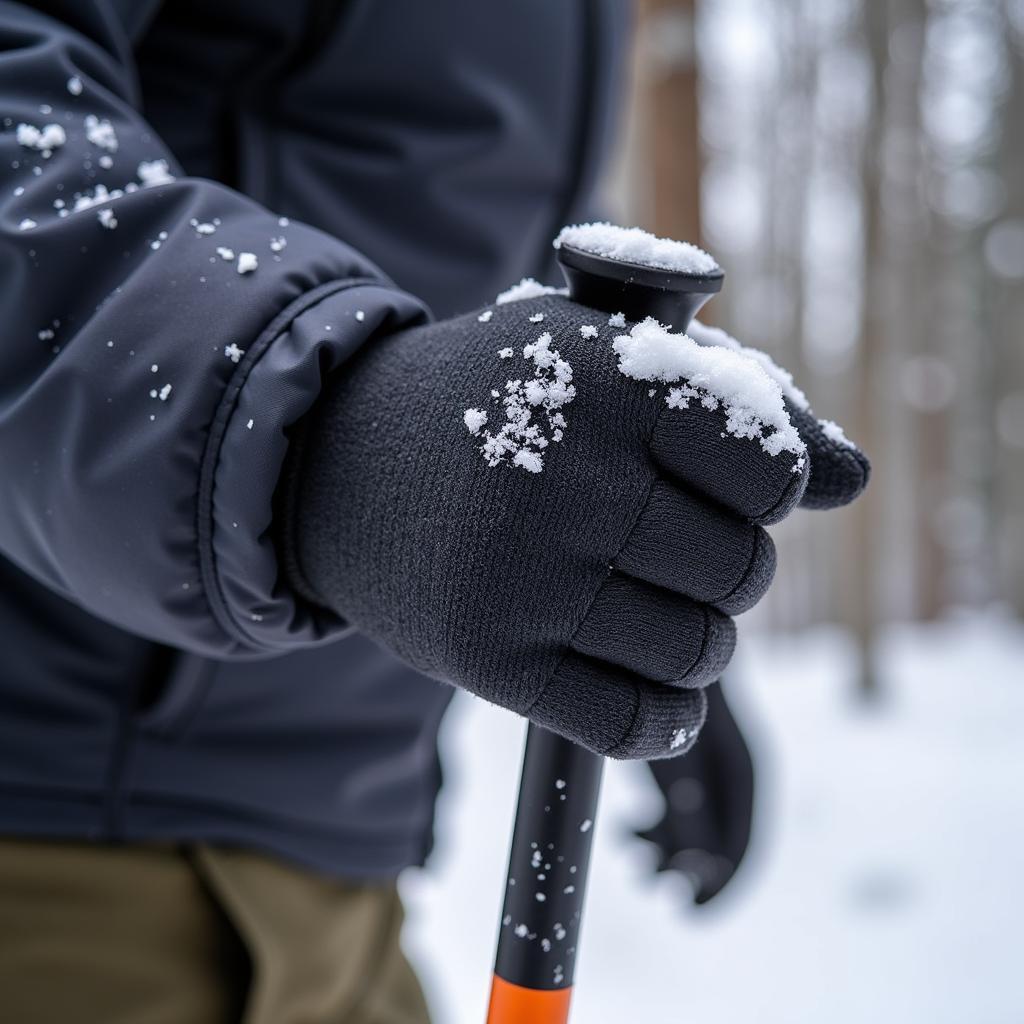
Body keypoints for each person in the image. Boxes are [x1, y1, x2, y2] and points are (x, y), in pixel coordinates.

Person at [0, 2, 868, 1021]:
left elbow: (468, 205)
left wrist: (637, 582)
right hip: (53, 860)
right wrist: (327, 435)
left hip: (344, 881)